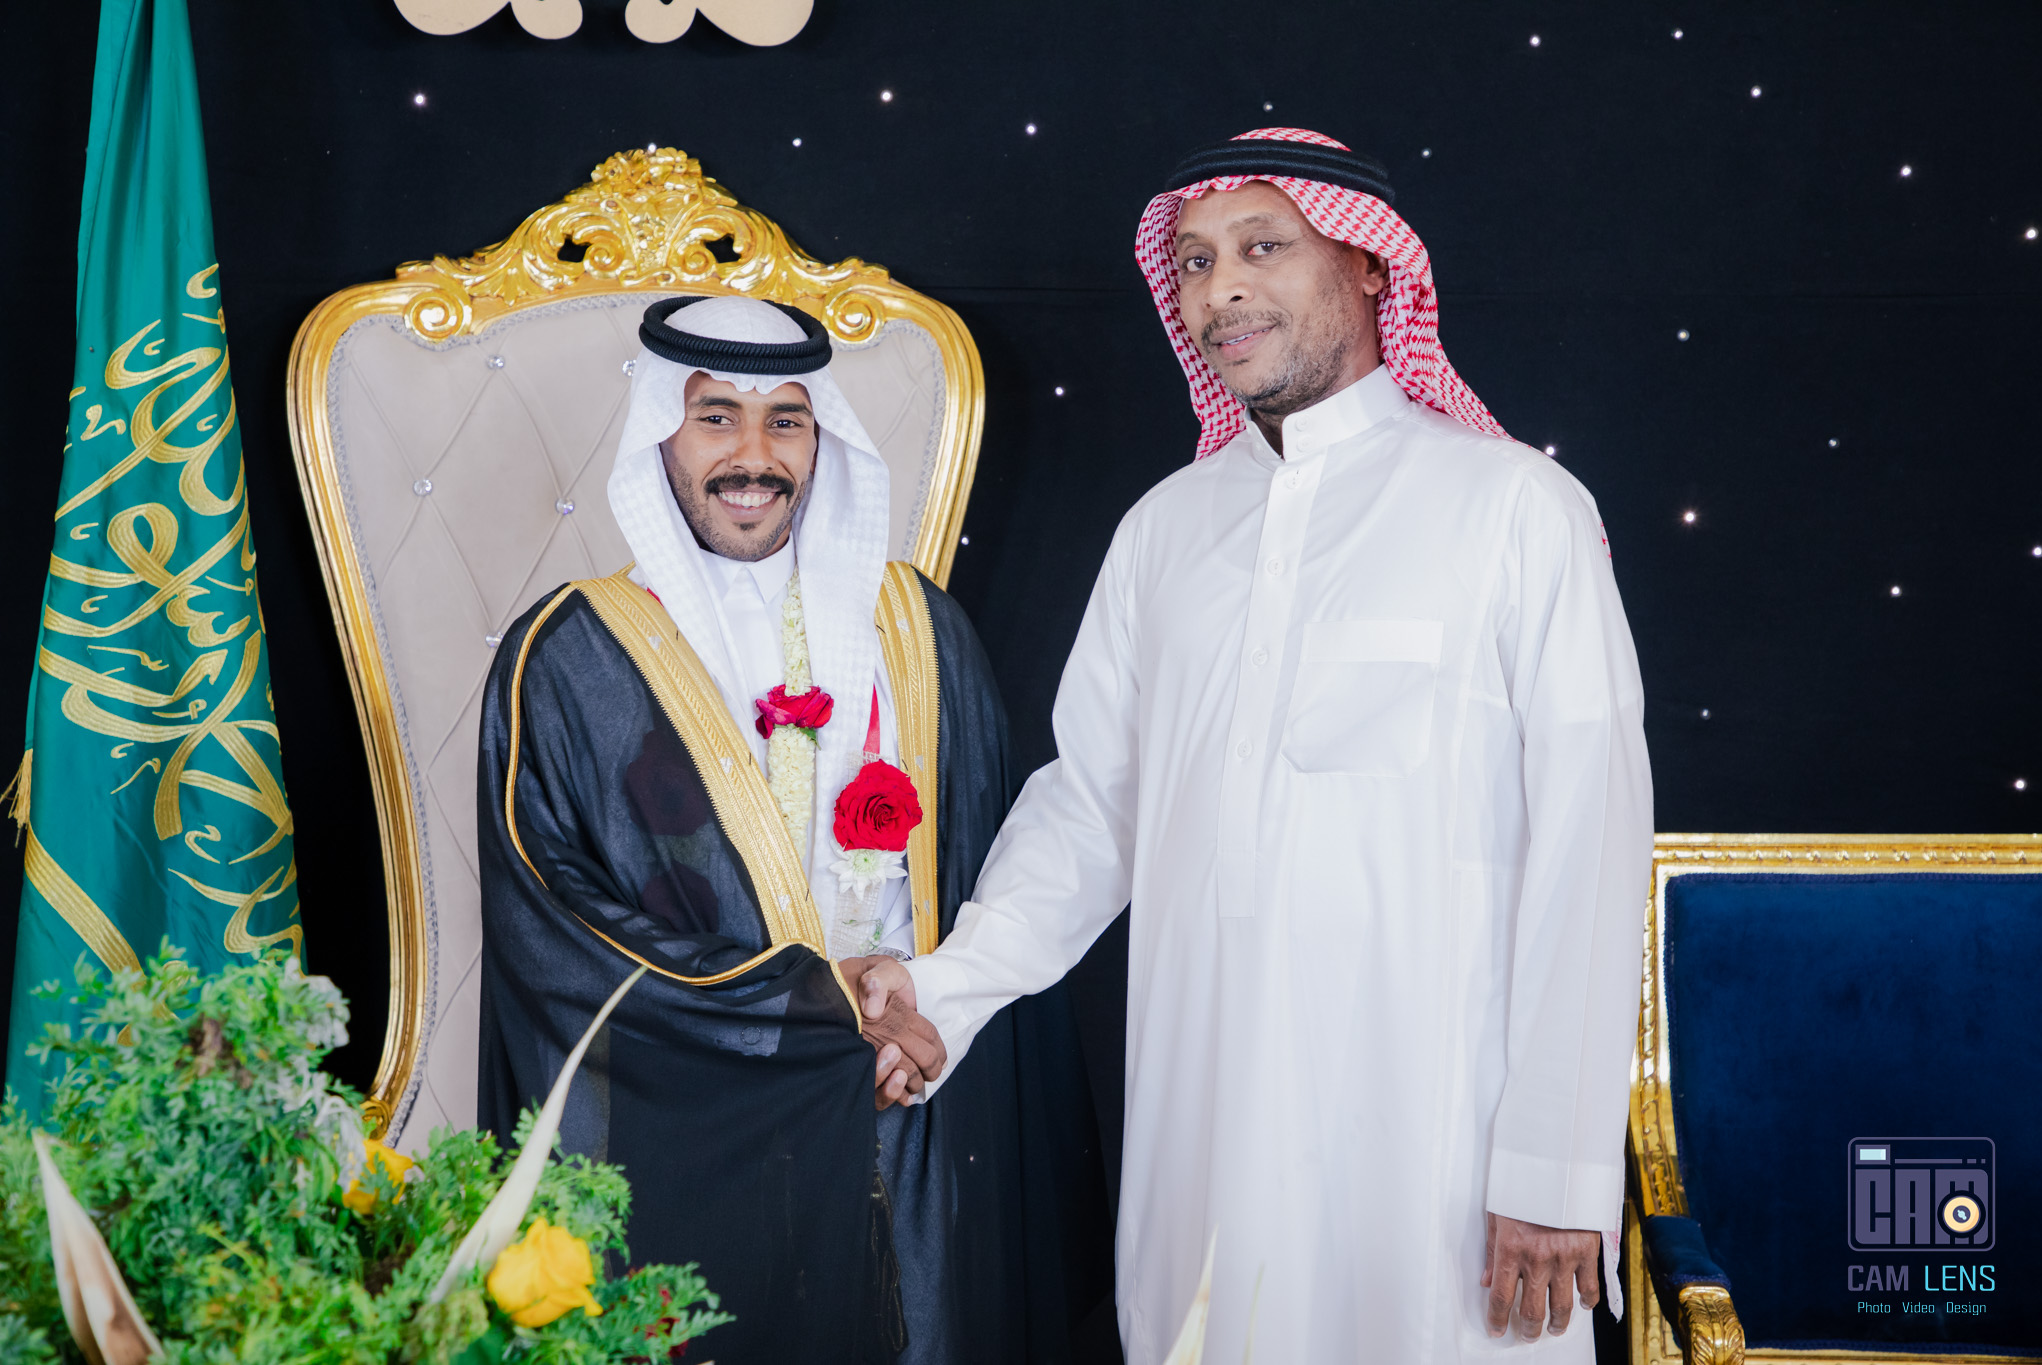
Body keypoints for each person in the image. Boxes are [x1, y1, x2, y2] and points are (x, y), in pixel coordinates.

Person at [860, 129, 1654, 1363]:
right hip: (1204, 1130)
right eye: (1192, 261)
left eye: (1261, 248)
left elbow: (1587, 846)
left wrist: (1552, 1169)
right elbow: (1093, 809)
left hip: (1441, 1155)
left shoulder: (1514, 508)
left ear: (1370, 268)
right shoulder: (1166, 529)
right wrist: (946, 992)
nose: (1218, 289)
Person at [475, 295, 1111, 1364]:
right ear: (660, 433)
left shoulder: (920, 629)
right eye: (715, 417)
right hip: (699, 1118)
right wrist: (803, 1010)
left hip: (911, 1095)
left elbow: (983, 868)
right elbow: (554, 922)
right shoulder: (570, 653)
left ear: (821, 438)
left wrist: (923, 1013)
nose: (753, 456)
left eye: (785, 421)